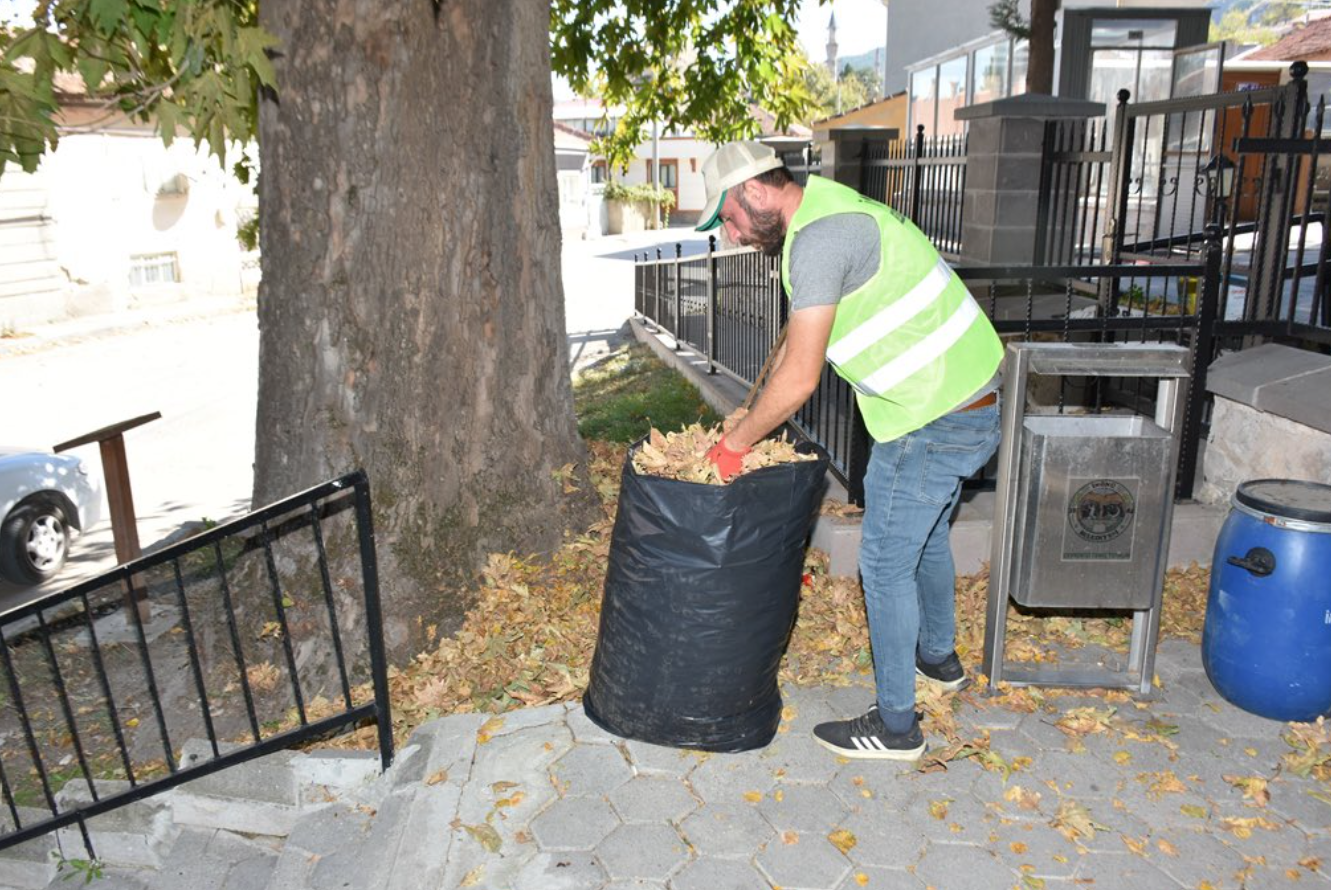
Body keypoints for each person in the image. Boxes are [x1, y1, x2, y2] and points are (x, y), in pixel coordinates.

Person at [696, 140, 1003, 760]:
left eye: (726, 217)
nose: (728, 235)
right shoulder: (828, 209)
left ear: (755, 191)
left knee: (885, 564)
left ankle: (895, 728)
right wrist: (753, 404)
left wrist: (734, 444)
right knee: (928, 539)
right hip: (973, 399)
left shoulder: (817, 243)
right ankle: (937, 660)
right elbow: (795, 340)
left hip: (930, 419)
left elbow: (801, 378)